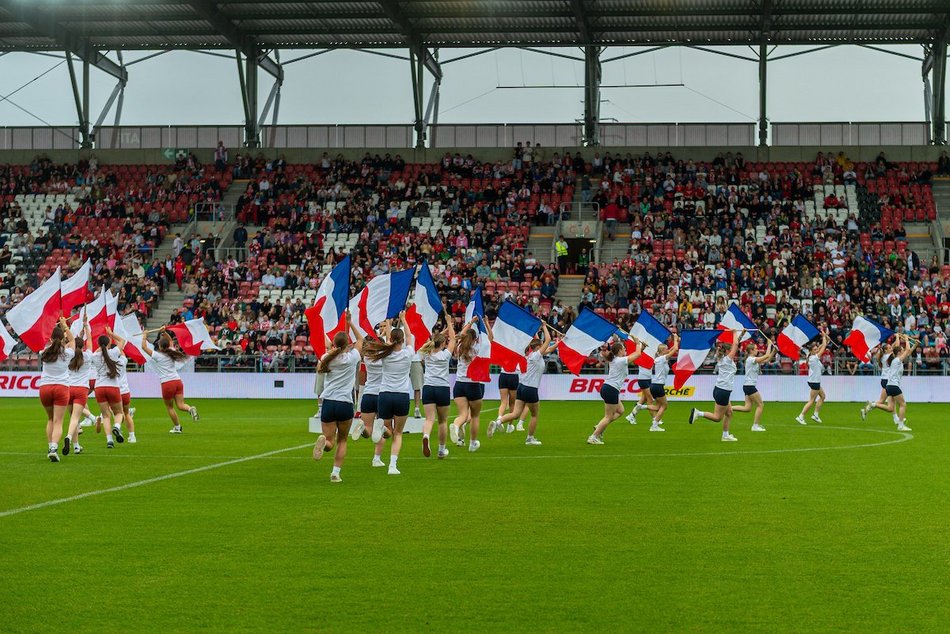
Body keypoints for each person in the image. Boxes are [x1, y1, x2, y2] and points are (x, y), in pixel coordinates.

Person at [312, 313, 364, 483]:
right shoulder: (351, 358)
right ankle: (335, 473)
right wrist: (350, 323)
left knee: (330, 440)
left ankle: (324, 444)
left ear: (334, 344)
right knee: (342, 440)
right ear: (347, 345)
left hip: (328, 402)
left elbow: (322, 362)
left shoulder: (327, 358)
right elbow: (361, 340)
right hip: (345, 403)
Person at [363, 314, 415, 475]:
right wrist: (404, 319)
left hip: (384, 394)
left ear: (391, 339)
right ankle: (392, 465)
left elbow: (387, 338)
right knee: (398, 433)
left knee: (388, 429)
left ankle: (381, 429)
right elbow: (409, 336)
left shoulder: (385, 353)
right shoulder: (408, 354)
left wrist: (387, 320)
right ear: (402, 341)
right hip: (401, 395)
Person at [493, 323, 558, 445]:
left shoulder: (530, 356)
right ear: (538, 347)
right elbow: (548, 340)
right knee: (534, 415)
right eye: (541, 345)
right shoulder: (536, 356)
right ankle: (530, 438)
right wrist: (544, 326)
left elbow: (550, 348)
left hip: (522, 387)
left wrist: (561, 341)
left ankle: (498, 422)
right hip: (530, 389)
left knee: (516, 414)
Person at [141, 329, 200, 433]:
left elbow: (144, 347)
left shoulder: (158, 355)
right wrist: (164, 332)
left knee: (170, 407)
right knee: (181, 405)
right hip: (177, 381)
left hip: (167, 383)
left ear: (160, 346)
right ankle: (190, 409)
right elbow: (171, 341)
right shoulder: (172, 351)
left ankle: (177, 427)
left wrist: (144, 335)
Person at [689, 331, 744, 441]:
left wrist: (741, 334)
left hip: (720, 390)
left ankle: (725, 435)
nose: (735, 351)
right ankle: (698, 413)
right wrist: (734, 332)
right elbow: (736, 345)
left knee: (729, 413)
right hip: (723, 391)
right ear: (728, 351)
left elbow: (735, 345)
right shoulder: (727, 360)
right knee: (717, 417)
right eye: (732, 350)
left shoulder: (723, 359)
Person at [587, 338, 644, 445]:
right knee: (608, 416)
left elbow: (637, 353)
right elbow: (637, 354)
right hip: (611, 389)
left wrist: (641, 346)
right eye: (623, 349)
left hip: (609, 388)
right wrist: (637, 343)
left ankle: (599, 427)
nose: (625, 350)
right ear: (619, 351)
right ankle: (594, 436)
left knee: (621, 411)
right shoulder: (619, 360)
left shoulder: (617, 359)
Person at [449, 316, 493, 452]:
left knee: (462, 415)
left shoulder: (460, 347)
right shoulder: (479, 348)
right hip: (473, 384)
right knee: (474, 416)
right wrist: (485, 323)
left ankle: (456, 425)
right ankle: (472, 443)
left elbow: (460, 335)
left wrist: (470, 322)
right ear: (475, 339)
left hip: (459, 384)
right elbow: (491, 338)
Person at [419, 312, 456, 459]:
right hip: (442, 388)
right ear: (442, 344)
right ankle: (441, 450)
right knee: (442, 421)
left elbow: (432, 343)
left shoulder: (426, 353)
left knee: (429, 419)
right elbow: (453, 338)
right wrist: (449, 323)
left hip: (428, 388)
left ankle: (426, 435)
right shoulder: (445, 355)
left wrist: (442, 332)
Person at [39, 320, 75, 462]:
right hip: (61, 387)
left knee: (50, 419)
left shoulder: (44, 352)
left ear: (50, 338)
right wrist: (64, 325)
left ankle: (50, 447)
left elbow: (43, 341)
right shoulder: (67, 353)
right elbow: (72, 340)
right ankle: (54, 448)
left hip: (45, 388)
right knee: (58, 421)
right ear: (62, 338)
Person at [64, 321, 97, 455]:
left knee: (73, 417)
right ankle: (68, 437)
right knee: (75, 418)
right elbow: (89, 339)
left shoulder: (67, 356)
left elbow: (68, 343)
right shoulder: (88, 356)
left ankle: (76, 446)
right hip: (81, 389)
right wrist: (86, 325)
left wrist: (71, 333)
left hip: (68, 388)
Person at [91, 330, 127, 447]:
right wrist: (111, 334)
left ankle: (109, 440)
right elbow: (122, 341)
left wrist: (102, 346)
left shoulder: (95, 356)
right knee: (119, 413)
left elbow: (97, 351)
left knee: (106, 416)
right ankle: (116, 427)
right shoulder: (113, 352)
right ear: (108, 344)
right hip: (112, 386)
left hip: (99, 387)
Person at [731, 340, 776, 432]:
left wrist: (774, 351)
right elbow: (766, 356)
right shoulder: (751, 359)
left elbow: (767, 360)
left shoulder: (753, 359)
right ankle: (755, 426)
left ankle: (728, 408)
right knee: (760, 405)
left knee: (747, 408)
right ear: (751, 350)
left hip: (747, 386)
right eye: (755, 349)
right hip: (750, 386)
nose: (757, 350)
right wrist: (769, 345)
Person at [642, 336, 680, 432]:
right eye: (666, 349)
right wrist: (675, 339)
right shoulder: (662, 358)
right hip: (658, 386)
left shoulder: (660, 358)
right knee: (664, 406)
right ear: (663, 351)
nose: (668, 350)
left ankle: (641, 406)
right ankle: (654, 425)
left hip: (655, 385)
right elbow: (675, 349)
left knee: (658, 406)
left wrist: (674, 340)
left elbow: (672, 349)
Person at [860, 342, 900, 426]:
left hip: (884, 380)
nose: (891, 349)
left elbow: (893, 347)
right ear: (885, 350)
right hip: (888, 381)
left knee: (882, 401)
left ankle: (866, 409)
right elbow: (897, 347)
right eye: (889, 348)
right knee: (891, 404)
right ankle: (895, 418)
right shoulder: (889, 356)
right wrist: (896, 338)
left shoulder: (882, 356)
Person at [795, 332, 830, 425]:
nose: (816, 350)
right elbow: (822, 348)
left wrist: (825, 339)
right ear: (811, 351)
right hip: (814, 382)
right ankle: (801, 416)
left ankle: (815, 415)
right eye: (814, 349)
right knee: (811, 400)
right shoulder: (813, 358)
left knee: (823, 396)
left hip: (814, 381)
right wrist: (824, 337)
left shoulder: (811, 356)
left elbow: (822, 346)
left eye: (816, 349)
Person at [884, 334, 915, 432]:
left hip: (890, 386)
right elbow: (907, 351)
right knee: (903, 404)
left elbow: (908, 352)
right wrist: (906, 339)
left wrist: (915, 345)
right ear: (899, 352)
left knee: (892, 407)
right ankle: (900, 425)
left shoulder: (897, 360)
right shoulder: (897, 360)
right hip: (893, 385)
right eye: (901, 350)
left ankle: (897, 421)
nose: (903, 351)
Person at [410, 348, 424, 419]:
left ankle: (417, 409)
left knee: (417, 387)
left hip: (416, 359)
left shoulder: (421, 336)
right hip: (405, 359)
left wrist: (422, 357)